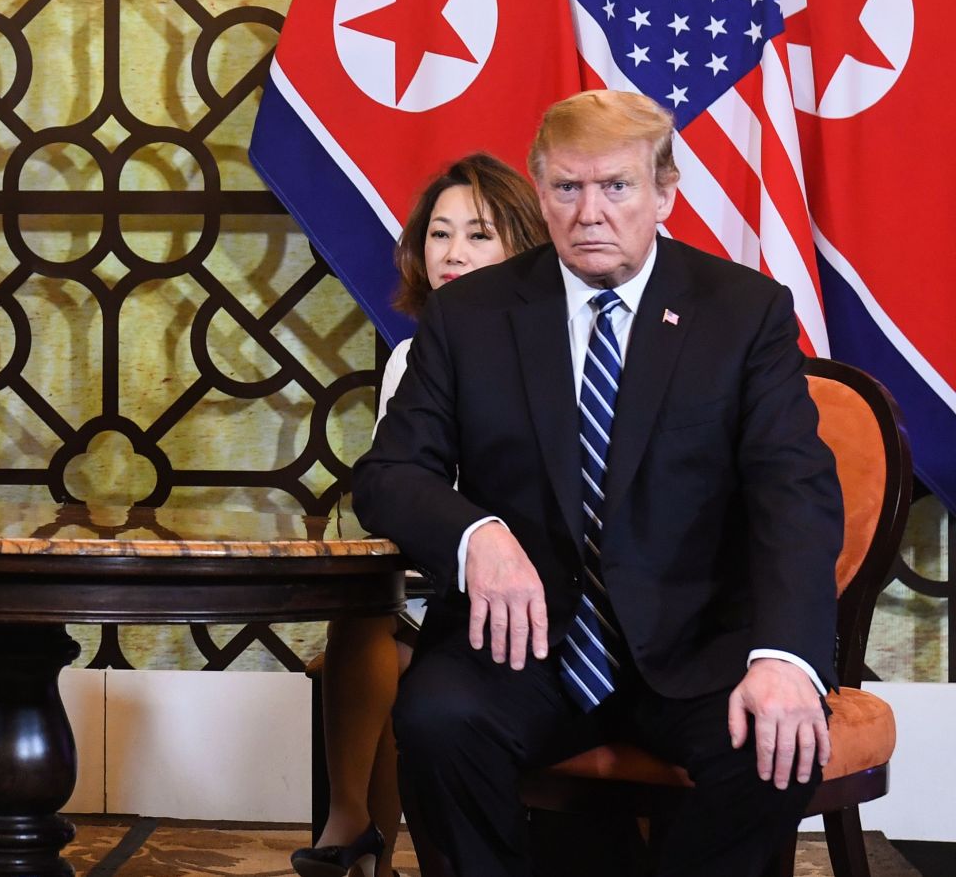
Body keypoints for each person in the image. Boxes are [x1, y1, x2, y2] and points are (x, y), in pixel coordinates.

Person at [354, 89, 842, 877]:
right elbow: (390, 473)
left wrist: (786, 656)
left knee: (772, 746)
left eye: (616, 187)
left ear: (663, 194)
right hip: (522, 644)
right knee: (439, 722)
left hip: (695, 647)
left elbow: (796, 496)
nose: (591, 212)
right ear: (541, 193)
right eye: (568, 188)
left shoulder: (741, 313)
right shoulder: (470, 317)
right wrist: (476, 535)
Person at [293, 153, 546, 877]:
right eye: (440, 234)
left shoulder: (551, 345)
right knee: (365, 606)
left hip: (522, 581)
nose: (455, 252)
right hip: (436, 568)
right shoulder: (413, 355)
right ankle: (353, 820)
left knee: (396, 638)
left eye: (479, 234)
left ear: (520, 243)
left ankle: (367, 835)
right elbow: (396, 492)